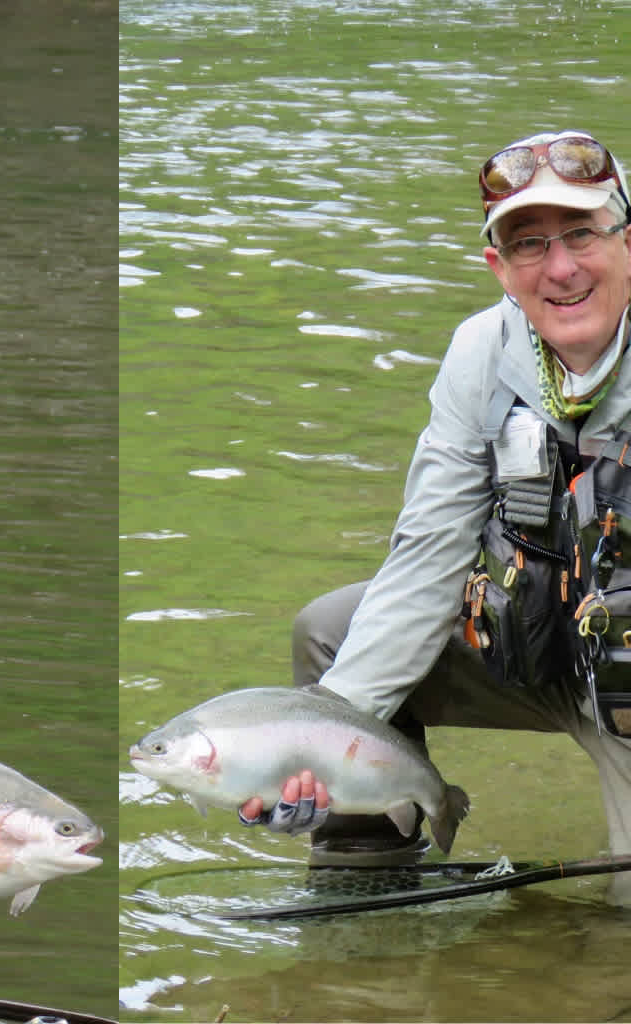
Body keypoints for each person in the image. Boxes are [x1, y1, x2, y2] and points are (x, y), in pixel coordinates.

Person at [238, 130, 631, 902]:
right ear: (499, 268)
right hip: (542, 652)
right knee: (334, 631)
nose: (560, 268)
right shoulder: (482, 354)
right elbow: (426, 561)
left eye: (582, 233)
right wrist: (316, 747)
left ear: (629, 238)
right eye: (529, 245)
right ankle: (363, 895)